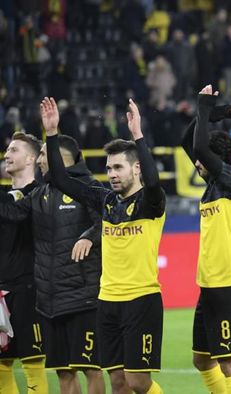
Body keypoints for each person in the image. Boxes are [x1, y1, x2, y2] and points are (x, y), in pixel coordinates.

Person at [43, 96, 167, 394]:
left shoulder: (151, 203)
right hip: (107, 300)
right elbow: (60, 178)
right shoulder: (105, 200)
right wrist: (51, 134)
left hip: (142, 299)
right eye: (109, 168)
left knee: (138, 381)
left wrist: (138, 134)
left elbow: (152, 182)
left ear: (136, 168)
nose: (112, 174)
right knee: (118, 382)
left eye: (119, 168)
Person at [0, 134, 105, 394]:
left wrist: (88, 237)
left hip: (82, 296)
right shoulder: (40, 194)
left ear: (61, 158)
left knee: (91, 368)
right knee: (64, 372)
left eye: (45, 154)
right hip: (51, 299)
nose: (41, 160)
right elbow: (12, 213)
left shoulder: (87, 187)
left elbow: (107, 220)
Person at [181, 85, 231, 394]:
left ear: (216, 158)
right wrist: (210, 114)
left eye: (203, 160)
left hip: (228, 283)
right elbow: (189, 142)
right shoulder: (213, 184)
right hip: (208, 284)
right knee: (202, 359)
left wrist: (202, 105)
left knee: (229, 361)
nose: (196, 164)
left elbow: (198, 149)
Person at [0, 132, 47, 394]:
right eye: (7, 150)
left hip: (30, 289)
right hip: (1, 291)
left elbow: (16, 215)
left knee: (33, 362)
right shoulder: (4, 195)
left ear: (31, 158)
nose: (7, 154)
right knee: (2, 366)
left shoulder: (41, 195)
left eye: (14, 149)